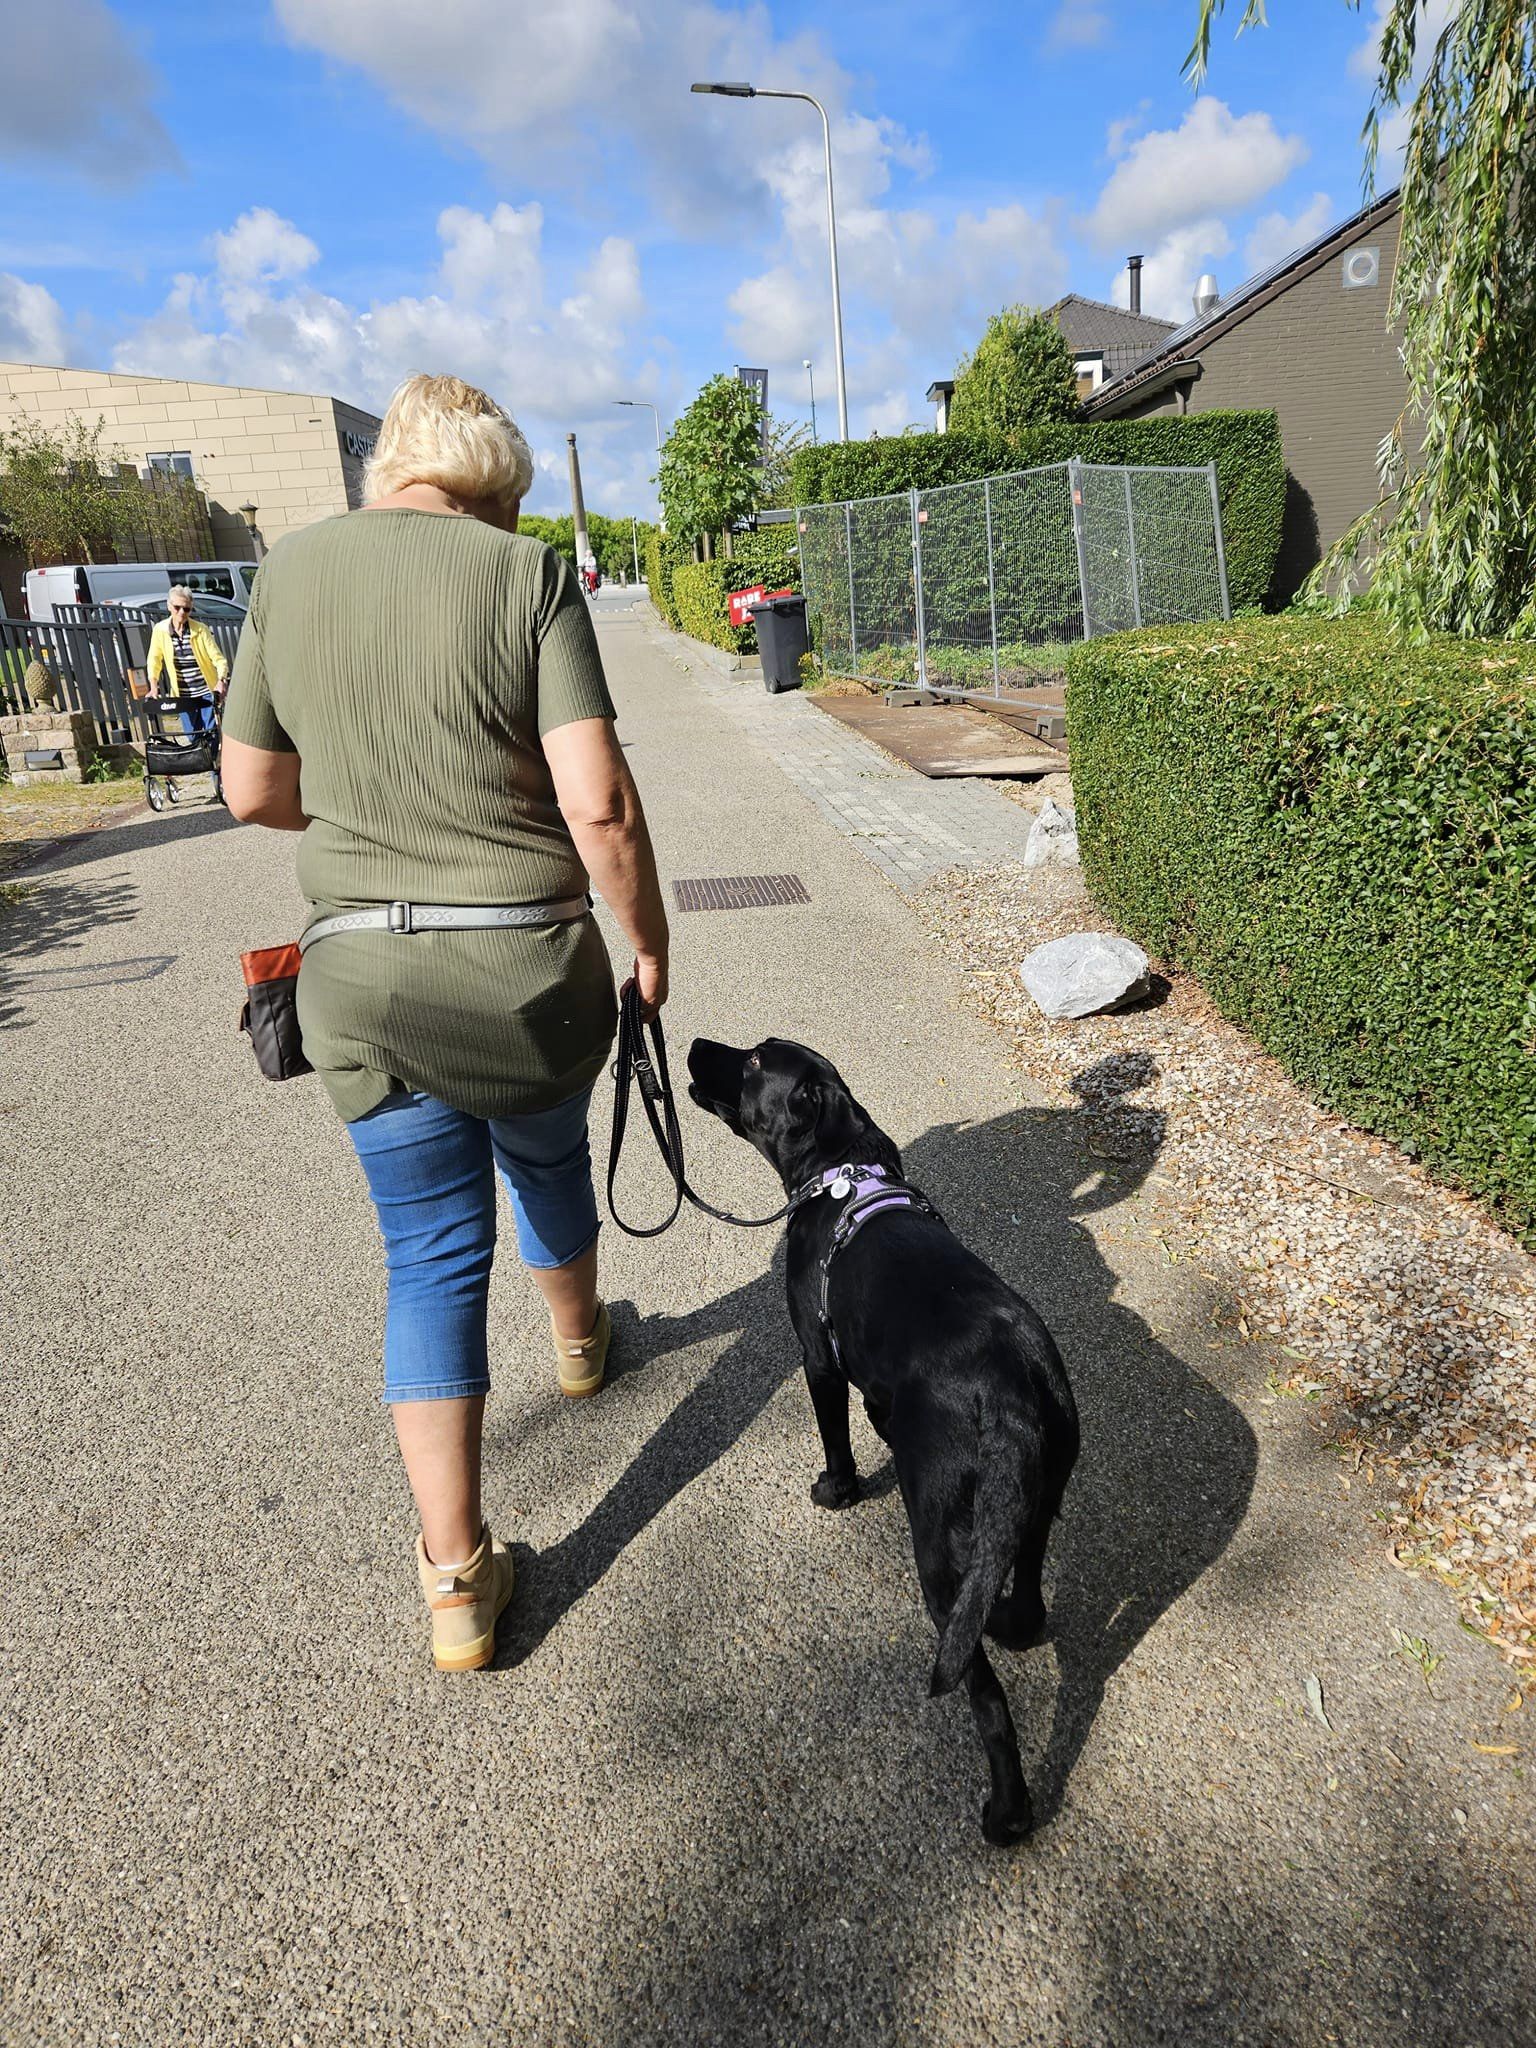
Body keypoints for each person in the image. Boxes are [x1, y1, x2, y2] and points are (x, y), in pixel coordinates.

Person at [220, 373, 669, 1674]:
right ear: (497, 482)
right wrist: (649, 944)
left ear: (390, 469)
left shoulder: (287, 577)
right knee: (545, 1156)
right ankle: (581, 1345)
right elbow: (602, 808)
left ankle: (458, 1584)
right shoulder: (526, 577)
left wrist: (374, 831)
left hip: (356, 981)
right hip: (529, 974)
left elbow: (249, 790)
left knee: (428, 1257)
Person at [146, 586, 229, 732]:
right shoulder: (160, 630)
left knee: (210, 733)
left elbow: (219, 659)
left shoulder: (200, 630)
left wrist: (221, 680)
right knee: (191, 734)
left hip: (205, 691)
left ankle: (210, 754)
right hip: (182, 695)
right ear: (169, 606)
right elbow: (154, 660)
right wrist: (153, 687)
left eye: (187, 609)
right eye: (177, 607)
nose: (181, 613)